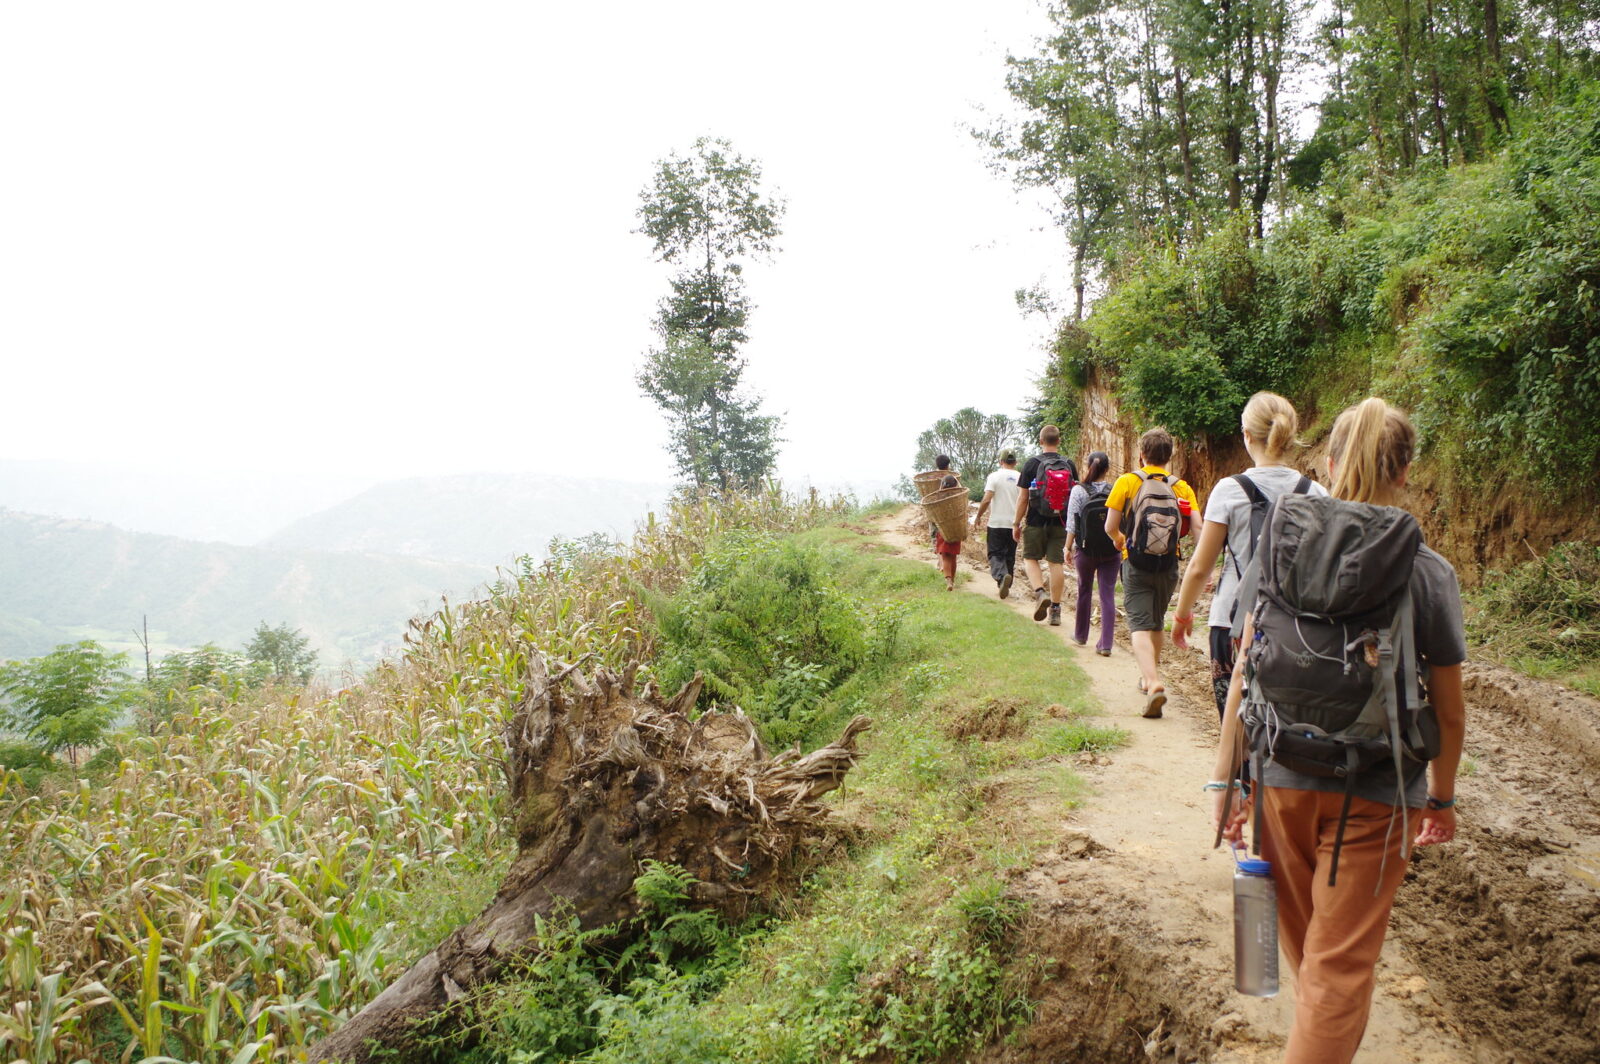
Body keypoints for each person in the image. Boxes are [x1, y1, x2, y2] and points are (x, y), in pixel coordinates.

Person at [1212, 397, 1465, 1064]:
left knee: (1314, 962)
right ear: (1406, 471)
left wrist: (1227, 777)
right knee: (1336, 969)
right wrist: (1441, 797)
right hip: (1378, 795)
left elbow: (1247, 664)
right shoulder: (1428, 571)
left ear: (1325, 463)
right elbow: (1449, 710)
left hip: (1277, 778)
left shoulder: (1280, 547)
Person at [1171, 393, 1327, 719]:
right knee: (1285, 732)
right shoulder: (1316, 493)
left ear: (1247, 436)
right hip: (1296, 631)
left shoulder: (1230, 490)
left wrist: (1183, 614)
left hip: (1232, 625)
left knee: (1236, 731)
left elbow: (1201, 566)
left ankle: (1240, 771)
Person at [1103, 427, 1198, 717]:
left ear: (1141, 454)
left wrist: (1123, 544)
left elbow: (1110, 527)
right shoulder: (1181, 487)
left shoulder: (1127, 482)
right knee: (1156, 623)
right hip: (1169, 564)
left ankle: (1153, 681)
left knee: (1139, 626)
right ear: (1170, 456)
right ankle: (1148, 679)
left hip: (1136, 563)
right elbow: (1199, 530)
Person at [1012, 426, 1077, 627]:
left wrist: (1016, 523)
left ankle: (1040, 593)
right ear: (1058, 441)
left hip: (1035, 520)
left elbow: (1023, 498)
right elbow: (1075, 497)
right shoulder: (1069, 464)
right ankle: (1055, 610)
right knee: (1055, 563)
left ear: (1041, 441)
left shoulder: (1032, 464)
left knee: (1030, 558)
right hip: (1061, 521)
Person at [1063, 451, 1119, 656]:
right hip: (1111, 550)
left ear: (1088, 466)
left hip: (1085, 550)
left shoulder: (1078, 490)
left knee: (1084, 590)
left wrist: (1067, 548)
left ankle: (1080, 635)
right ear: (1108, 469)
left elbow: (1072, 524)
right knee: (1107, 594)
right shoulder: (1115, 490)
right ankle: (1105, 644)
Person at [974, 450, 1022, 598]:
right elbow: (1026, 500)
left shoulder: (994, 476)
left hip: (996, 523)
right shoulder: (1021, 477)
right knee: (1010, 556)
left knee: (995, 553)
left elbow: (987, 499)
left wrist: (978, 516)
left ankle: (1002, 577)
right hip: (1014, 524)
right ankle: (1005, 583)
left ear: (1001, 462)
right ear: (1015, 462)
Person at [932, 473, 963, 591]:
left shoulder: (938, 498)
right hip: (956, 530)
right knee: (953, 557)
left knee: (945, 557)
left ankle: (948, 580)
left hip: (943, 531)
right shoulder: (959, 497)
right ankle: (953, 581)